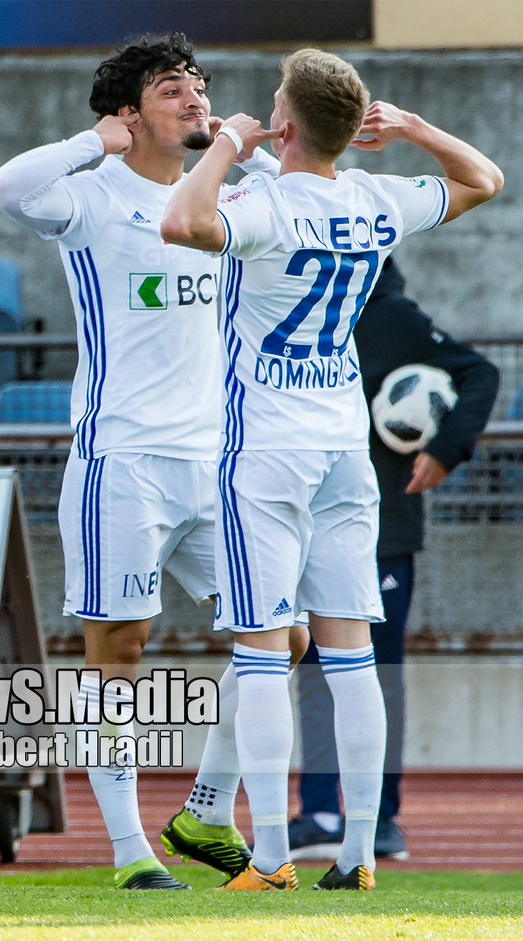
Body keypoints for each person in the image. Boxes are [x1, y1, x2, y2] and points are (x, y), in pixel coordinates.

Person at [161, 48, 502, 890]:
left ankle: (272, 851)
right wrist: (415, 128)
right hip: (346, 448)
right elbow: (484, 178)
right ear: (352, 131)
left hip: (266, 450)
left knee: (264, 651)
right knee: (354, 657)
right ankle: (355, 855)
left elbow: (181, 223)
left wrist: (224, 147)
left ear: (283, 124)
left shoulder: (264, 201)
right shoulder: (376, 200)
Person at [0, 34, 291, 890]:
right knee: (117, 652)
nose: (196, 99)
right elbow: (7, 186)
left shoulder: (225, 194)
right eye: (171, 90)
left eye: (199, 85)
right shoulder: (89, 196)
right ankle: (128, 851)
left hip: (218, 464)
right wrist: (97, 143)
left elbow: (308, 191)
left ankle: (204, 805)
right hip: (121, 461)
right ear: (127, 115)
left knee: (285, 635)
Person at [288, 256, 499, 861]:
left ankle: (379, 817)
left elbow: (480, 372)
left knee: (377, 674)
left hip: (383, 529)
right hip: (306, 522)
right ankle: (322, 810)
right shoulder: (296, 317)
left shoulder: (390, 314)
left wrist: (447, 448)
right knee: (313, 671)